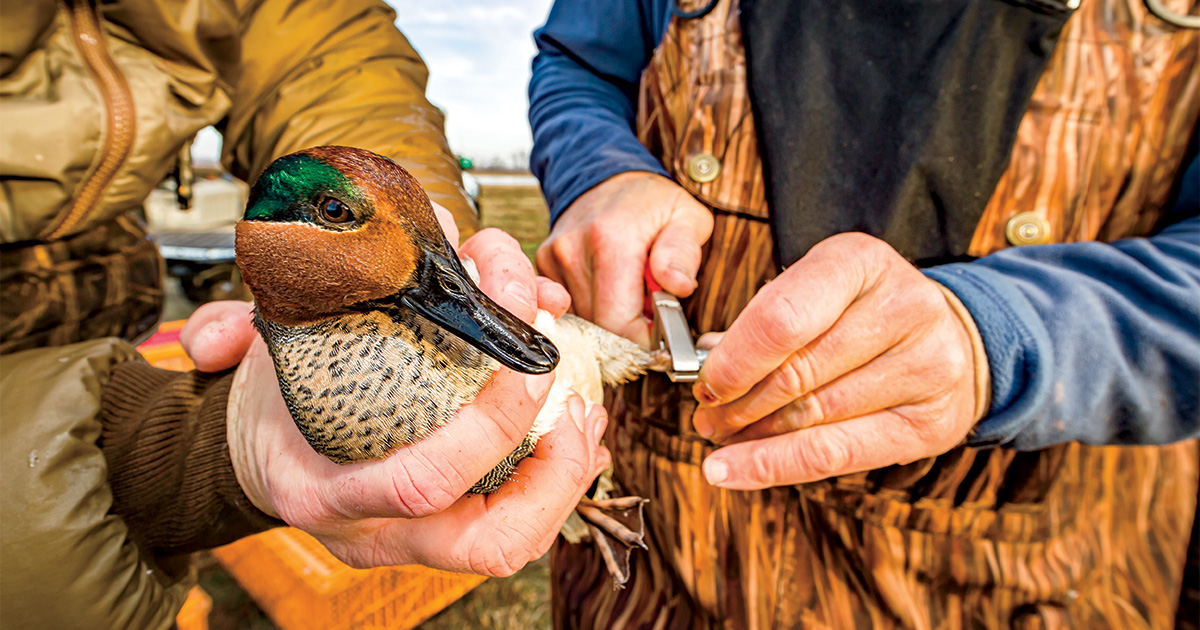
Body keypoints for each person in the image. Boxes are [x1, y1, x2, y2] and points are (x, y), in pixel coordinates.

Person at [528, 0, 1199, 628]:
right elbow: (580, 64)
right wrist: (602, 171)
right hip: (651, 568)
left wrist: (997, 337)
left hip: (1028, 579)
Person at [0, 1, 607, 628]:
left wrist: (427, 209)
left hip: (106, 326)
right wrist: (175, 446)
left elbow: (322, 46)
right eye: (343, 221)